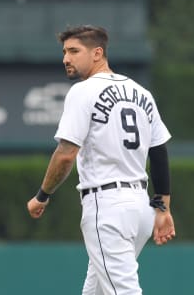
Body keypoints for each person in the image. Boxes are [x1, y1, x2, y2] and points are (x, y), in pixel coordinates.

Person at [27, 25, 175, 295]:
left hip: (107, 207)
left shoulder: (83, 92)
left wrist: (42, 195)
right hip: (140, 208)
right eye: (64, 52)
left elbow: (66, 154)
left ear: (97, 53)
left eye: (74, 51)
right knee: (95, 291)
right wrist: (162, 208)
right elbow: (159, 151)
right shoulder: (141, 93)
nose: (66, 59)